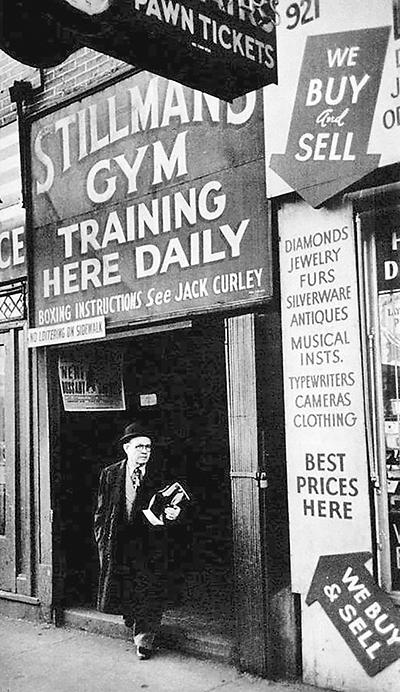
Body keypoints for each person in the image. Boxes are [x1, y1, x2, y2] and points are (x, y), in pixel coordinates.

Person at [94, 421, 184, 660]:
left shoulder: (160, 474)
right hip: (120, 542)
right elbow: (101, 512)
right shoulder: (111, 473)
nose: (145, 451)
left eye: (148, 447)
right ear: (126, 448)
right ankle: (133, 619)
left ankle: (144, 640)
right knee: (126, 587)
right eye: (139, 446)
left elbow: (175, 505)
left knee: (149, 589)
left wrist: (175, 514)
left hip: (150, 544)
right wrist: (102, 540)